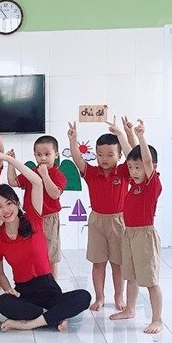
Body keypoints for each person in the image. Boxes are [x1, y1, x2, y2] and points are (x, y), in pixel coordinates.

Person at [0, 151, 92, 331]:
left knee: (84, 297)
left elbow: (37, 182)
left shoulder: (33, 219)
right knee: (2, 302)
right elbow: (0, 273)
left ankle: (30, 324)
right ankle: (53, 316)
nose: (5, 210)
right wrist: (8, 289)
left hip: (49, 288)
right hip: (25, 292)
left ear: (17, 203)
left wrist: (8, 159)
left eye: (9, 203)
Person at [68, 116, 135, 314]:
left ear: (119, 155)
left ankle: (118, 297)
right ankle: (100, 297)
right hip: (97, 221)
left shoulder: (124, 171)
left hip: (119, 221)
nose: (104, 159)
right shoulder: (91, 172)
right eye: (100, 154)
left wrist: (123, 134)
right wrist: (73, 140)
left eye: (110, 154)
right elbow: (77, 159)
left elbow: (133, 155)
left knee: (118, 264)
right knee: (98, 263)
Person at [111, 120, 164, 334]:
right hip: (129, 234)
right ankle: (130, 309)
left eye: (138, 167)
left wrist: (141, 137)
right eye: (131, 167)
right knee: (130, 275)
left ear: (152, 168)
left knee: (150, 281)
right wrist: (122, 134)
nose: (133, 171)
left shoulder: (152, 185)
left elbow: (147, 160)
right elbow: (129, 153)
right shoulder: (135, 184)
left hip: (144, 235)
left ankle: (157, 319)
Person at [8, 134, 67, 279]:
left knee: (50, 254)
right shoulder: (31, 173)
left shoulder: (58, 175)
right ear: (34, 155)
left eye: (47, 154)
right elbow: (12, 182)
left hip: (49, 219)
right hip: (31, 218)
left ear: (56, 155)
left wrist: (45, 176)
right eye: (39, 155)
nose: (43, 158)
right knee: (32, 251)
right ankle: (35, 281)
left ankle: (52, 285)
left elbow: (54, 194)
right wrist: (11, 163)